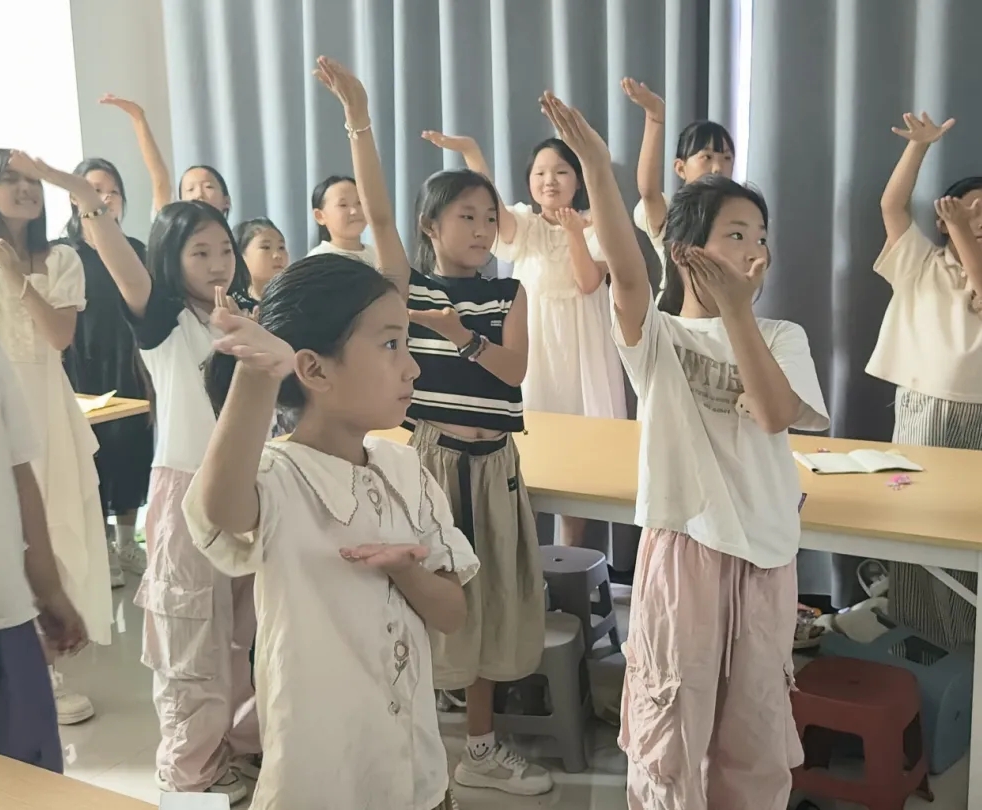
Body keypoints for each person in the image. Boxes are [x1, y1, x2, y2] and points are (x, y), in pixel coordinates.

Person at [539, 93, 829, 809]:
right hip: (685, 549)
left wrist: (738, 312)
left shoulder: (782, 336)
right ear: (686, 250)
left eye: (761, 236)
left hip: (766, 553)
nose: (755, 249)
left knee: (755, 725)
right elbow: (627, 272)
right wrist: (596, 167)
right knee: (672, 722)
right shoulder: (658, 337)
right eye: (736, 234)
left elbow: (774, 413)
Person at [314, 56, 550, 796]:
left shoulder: (509, 292)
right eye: (465, 216)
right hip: (434, 461)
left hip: (497, 464)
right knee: (421, 599)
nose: (481, 228)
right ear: (431, 225)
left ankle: (479, 746)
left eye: (489, 217)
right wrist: (358, 118)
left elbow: (512, 372)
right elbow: (380, 217)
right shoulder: (408, 288)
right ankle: (410, 737)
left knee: (489, 605)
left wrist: (460, 336)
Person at [186, 259, 477, 809]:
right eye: (390, 345)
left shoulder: (405, 469)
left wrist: (405, 570)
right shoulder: (280, 476)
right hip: (321, 782)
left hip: (416, 775)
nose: (412, 367)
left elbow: (452, 613)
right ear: (315, 370)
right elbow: (222, 507)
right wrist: (257, 373)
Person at [63, 176, 258, 800]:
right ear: (170, 260)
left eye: (224, 249)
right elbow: (121, 262)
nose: (217, 263)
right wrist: (88, 201)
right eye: (199, 252)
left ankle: (237, 751)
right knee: (189, 641)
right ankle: (189, 778)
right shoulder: (164, 321)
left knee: (246, 636)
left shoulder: (244, 316)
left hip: (250, 490)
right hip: (187, 491)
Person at [867, 112, 982, 656]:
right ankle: (917, 637)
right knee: (915, 518)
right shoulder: (920, 261)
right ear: (942, 218)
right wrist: (918, 147)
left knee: (970, 524)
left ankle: (969, 644)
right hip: (920, 405)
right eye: (970, 210)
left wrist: (962, 229)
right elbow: (892, 207)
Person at [422, 125, 625, 549]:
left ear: (579, 180)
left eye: (561, 172)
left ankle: (570, 563)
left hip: (582, 352)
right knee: (526, 460)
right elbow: (490, 207)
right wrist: (472, 153)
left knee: (579, 463)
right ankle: (526, 564)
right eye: (540, 173)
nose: (550, 180)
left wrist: (574, 232)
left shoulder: (597, 226)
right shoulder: (525, 225)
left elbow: (589, 282)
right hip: (534, 349)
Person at [0, 149, 112, 726]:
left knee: (54, 529)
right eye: (9, 180)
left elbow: (60, 335)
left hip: (47, 406)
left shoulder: (61, 257)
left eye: (32, 181)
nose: (25, 189)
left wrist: (17, 278)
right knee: (3, 529)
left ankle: (53, 667)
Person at [0, 329, 89, 773]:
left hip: (3, 612)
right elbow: (19, 473)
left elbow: (18, 473)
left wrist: (48, 589)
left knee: (24, 779)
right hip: (2, 611)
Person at [59, 157, 151, 588]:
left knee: (132, 450)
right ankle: (102, 547)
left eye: (112, 191)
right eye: (95, 190)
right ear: (75, 198)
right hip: (81, 366)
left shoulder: (136, 250)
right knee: (92, 456)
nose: (105, 198)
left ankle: (127, 542)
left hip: (129, 362)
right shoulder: (64, 253)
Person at [622, 77, 735, 290]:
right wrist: (655, 118)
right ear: (680, 168)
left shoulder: (740, 214)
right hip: (676, 308)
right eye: (707, 157)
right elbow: (648, 190)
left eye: (727, 158)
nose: (718, 168)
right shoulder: (672, 213)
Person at [101, 94, 231, 218]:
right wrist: (138, 117)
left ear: (226, 201)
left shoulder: (239, 233)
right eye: (190, 189)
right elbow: (160, 179)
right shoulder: (172, 229)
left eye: (208, 187)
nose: (199, 195)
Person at [306, 175, 377, 265]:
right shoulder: (316, 261)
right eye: (343, 205)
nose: (354, 211)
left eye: (359, 202)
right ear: (320, 216)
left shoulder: (378, 255)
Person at [233, 217, 288, 299]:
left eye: (281, 247)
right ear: (241, 256)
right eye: (266, 247)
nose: (277, 255)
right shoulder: (232, 303)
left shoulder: (296, 299)